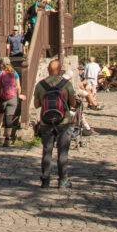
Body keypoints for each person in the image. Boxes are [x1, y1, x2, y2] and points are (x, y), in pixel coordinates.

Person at [33, 58, 77, 189]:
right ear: (60, 70)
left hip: (46, 122)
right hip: (64, 122)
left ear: (48, 70)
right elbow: (73, 103)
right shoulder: (66, 84)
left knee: (47, 151)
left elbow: (36, 105)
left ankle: (45, 180)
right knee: (63, 152)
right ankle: (63, 181)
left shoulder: (40, 85)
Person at [0, 59, 24, 146]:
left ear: (2, 64)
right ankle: (7, 139)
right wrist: (19, 96)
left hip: (2, 98)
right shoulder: (14, 73)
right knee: (9, 118)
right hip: (12, 98)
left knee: (0, 115)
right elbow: (18, 87)